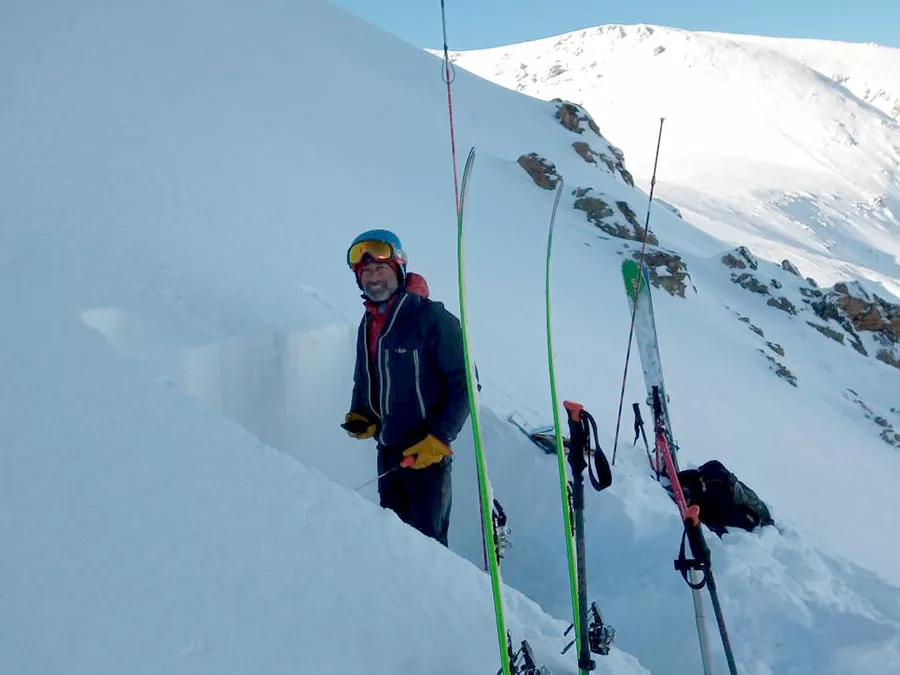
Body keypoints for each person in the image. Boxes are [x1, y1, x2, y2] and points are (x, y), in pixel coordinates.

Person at [343, 229, 469, 546]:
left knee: (429, 546)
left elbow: (465, 384)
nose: (373, 278)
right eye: (366, 271)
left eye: (380, 269)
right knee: (394, 539)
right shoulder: (370, 321)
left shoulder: (432, 319)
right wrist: (363, 412)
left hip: (427, 459)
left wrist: (440, 437)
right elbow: (366, 374)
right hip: (388, 452)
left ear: (398, 269)